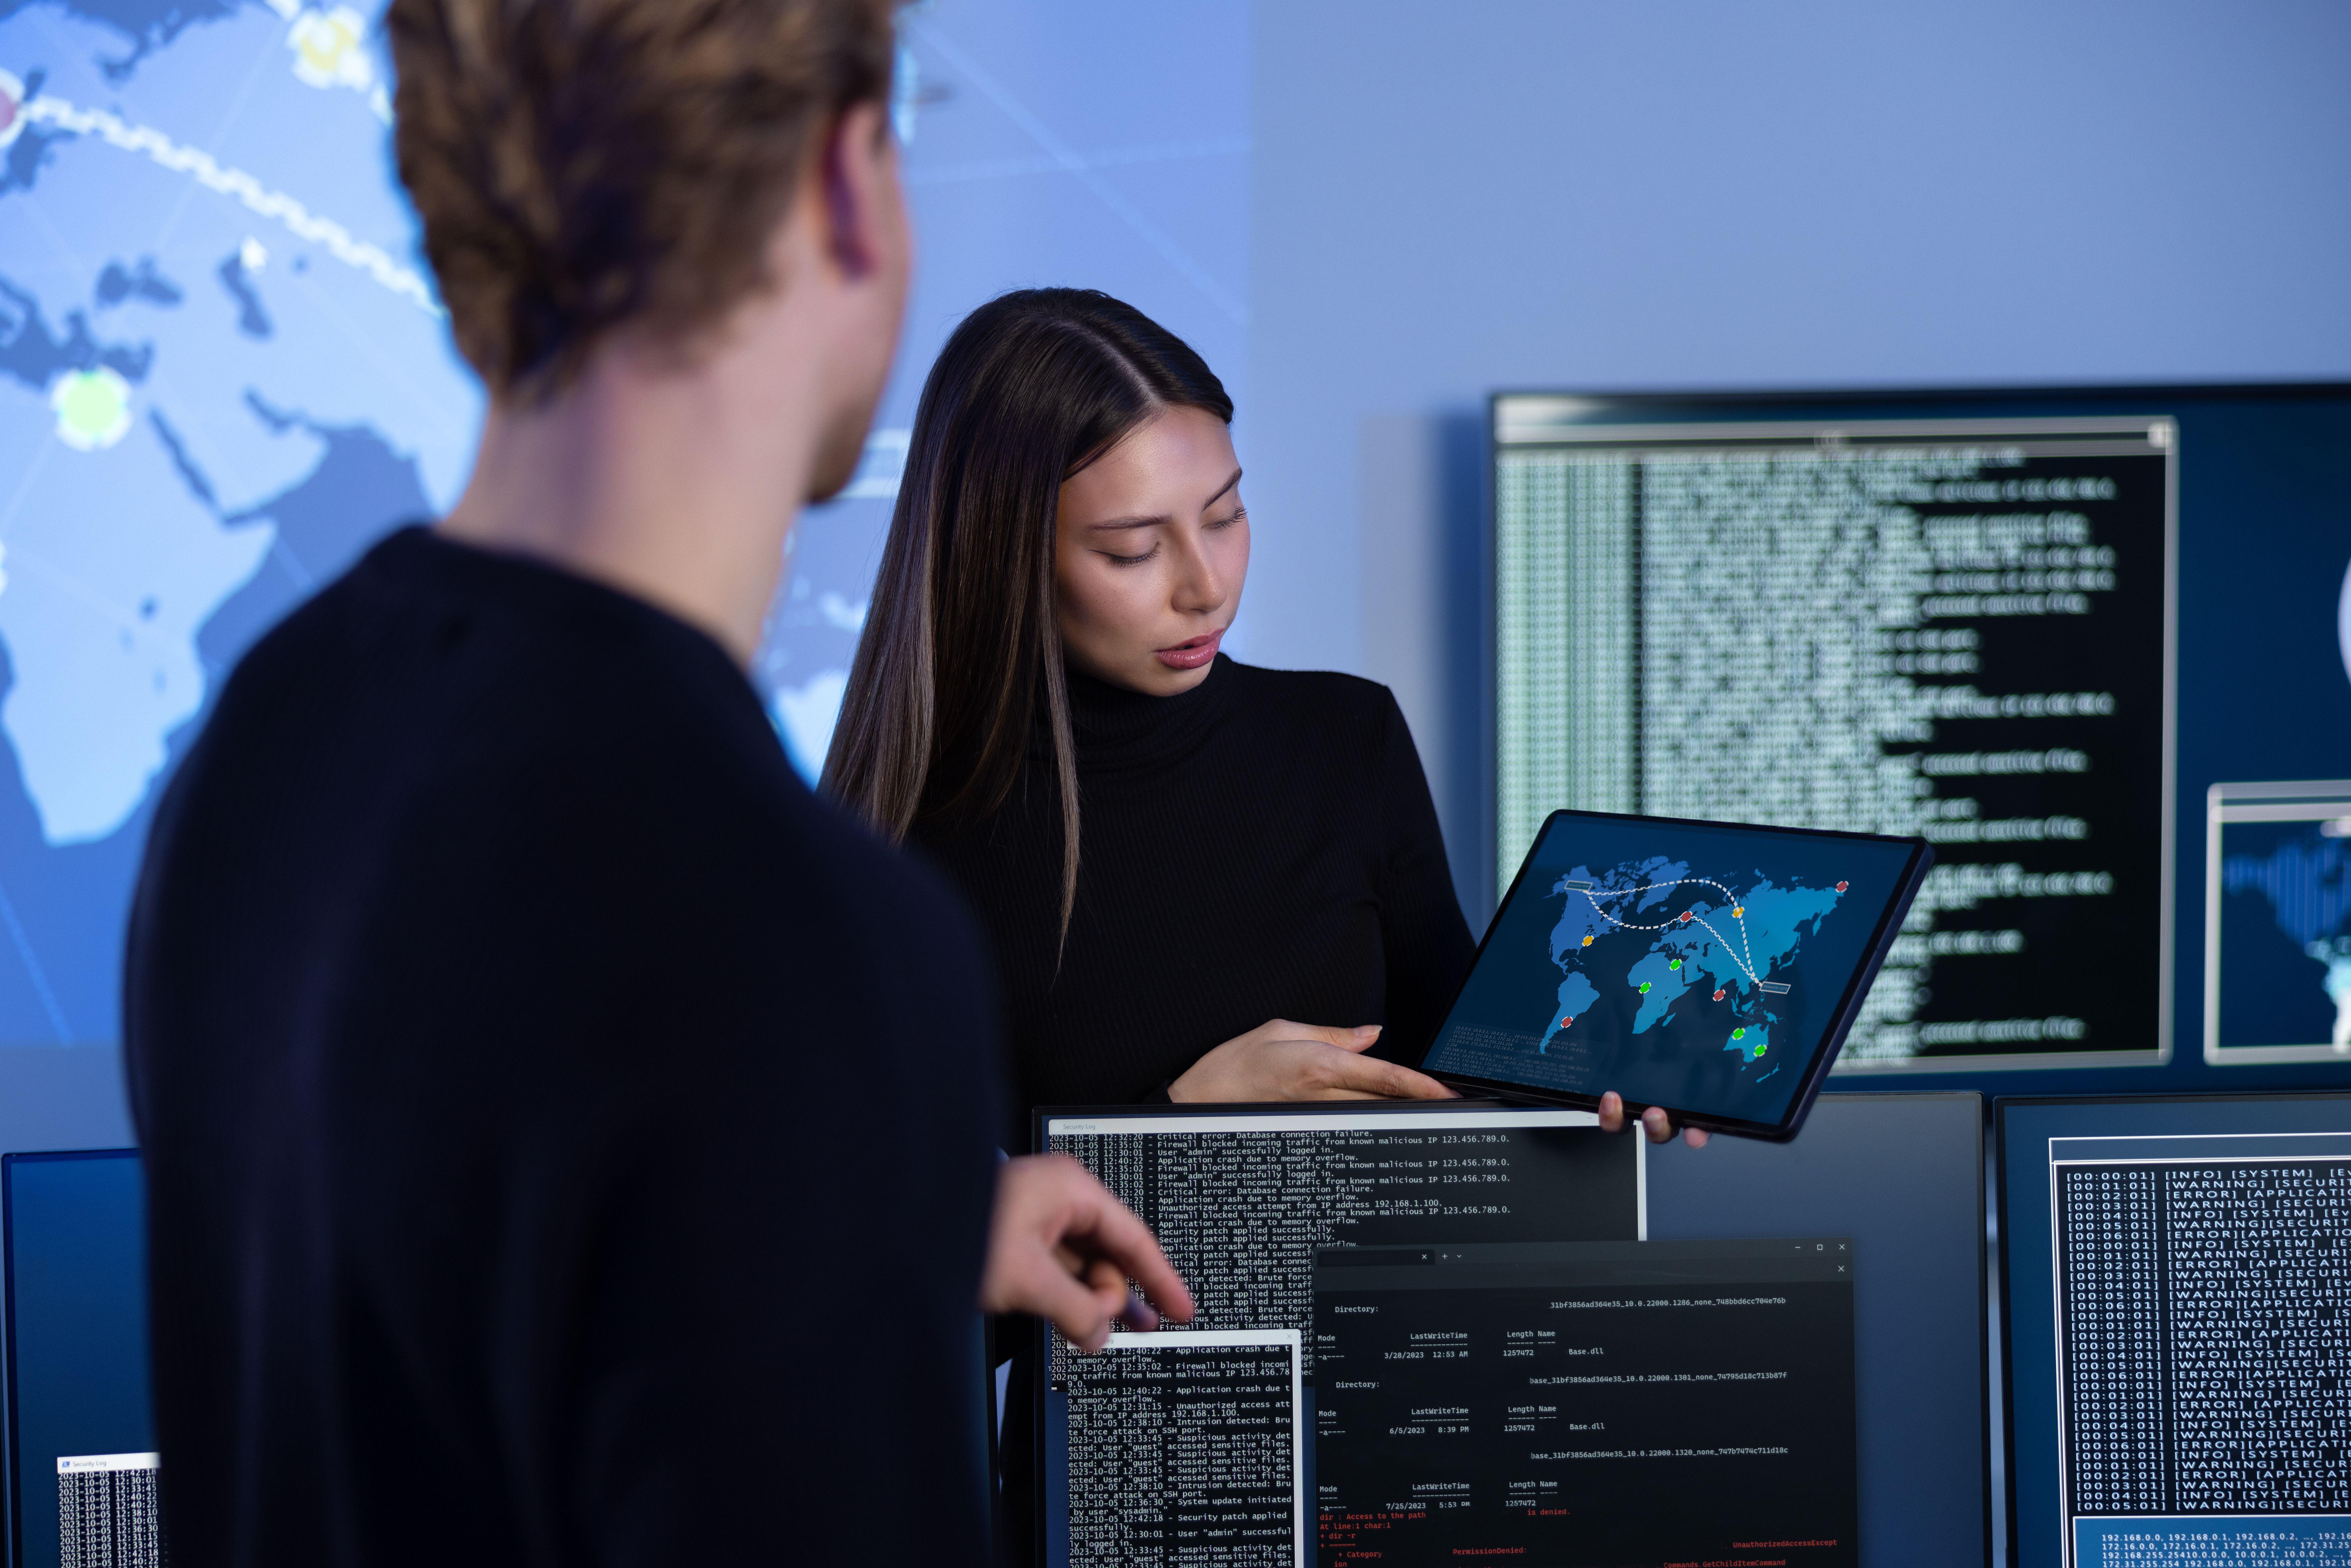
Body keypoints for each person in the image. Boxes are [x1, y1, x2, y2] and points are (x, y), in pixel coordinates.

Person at [122, 6, 1187, 1566]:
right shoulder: (787, 943)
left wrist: (863, 1223)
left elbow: (451, 1266)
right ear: (844, 185)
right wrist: (820, 1146)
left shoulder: (272, 733)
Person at [826, 288, 1704, 1148]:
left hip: (1384, 1291)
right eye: (1131, 549)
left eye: (1226, 515)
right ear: (1003, 554)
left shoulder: (1346, 737)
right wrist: (1179, 1122)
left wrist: (1600, 1070)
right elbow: (907, 1237)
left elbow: (1463, 1084)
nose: (1207, 587)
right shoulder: (901, 843)